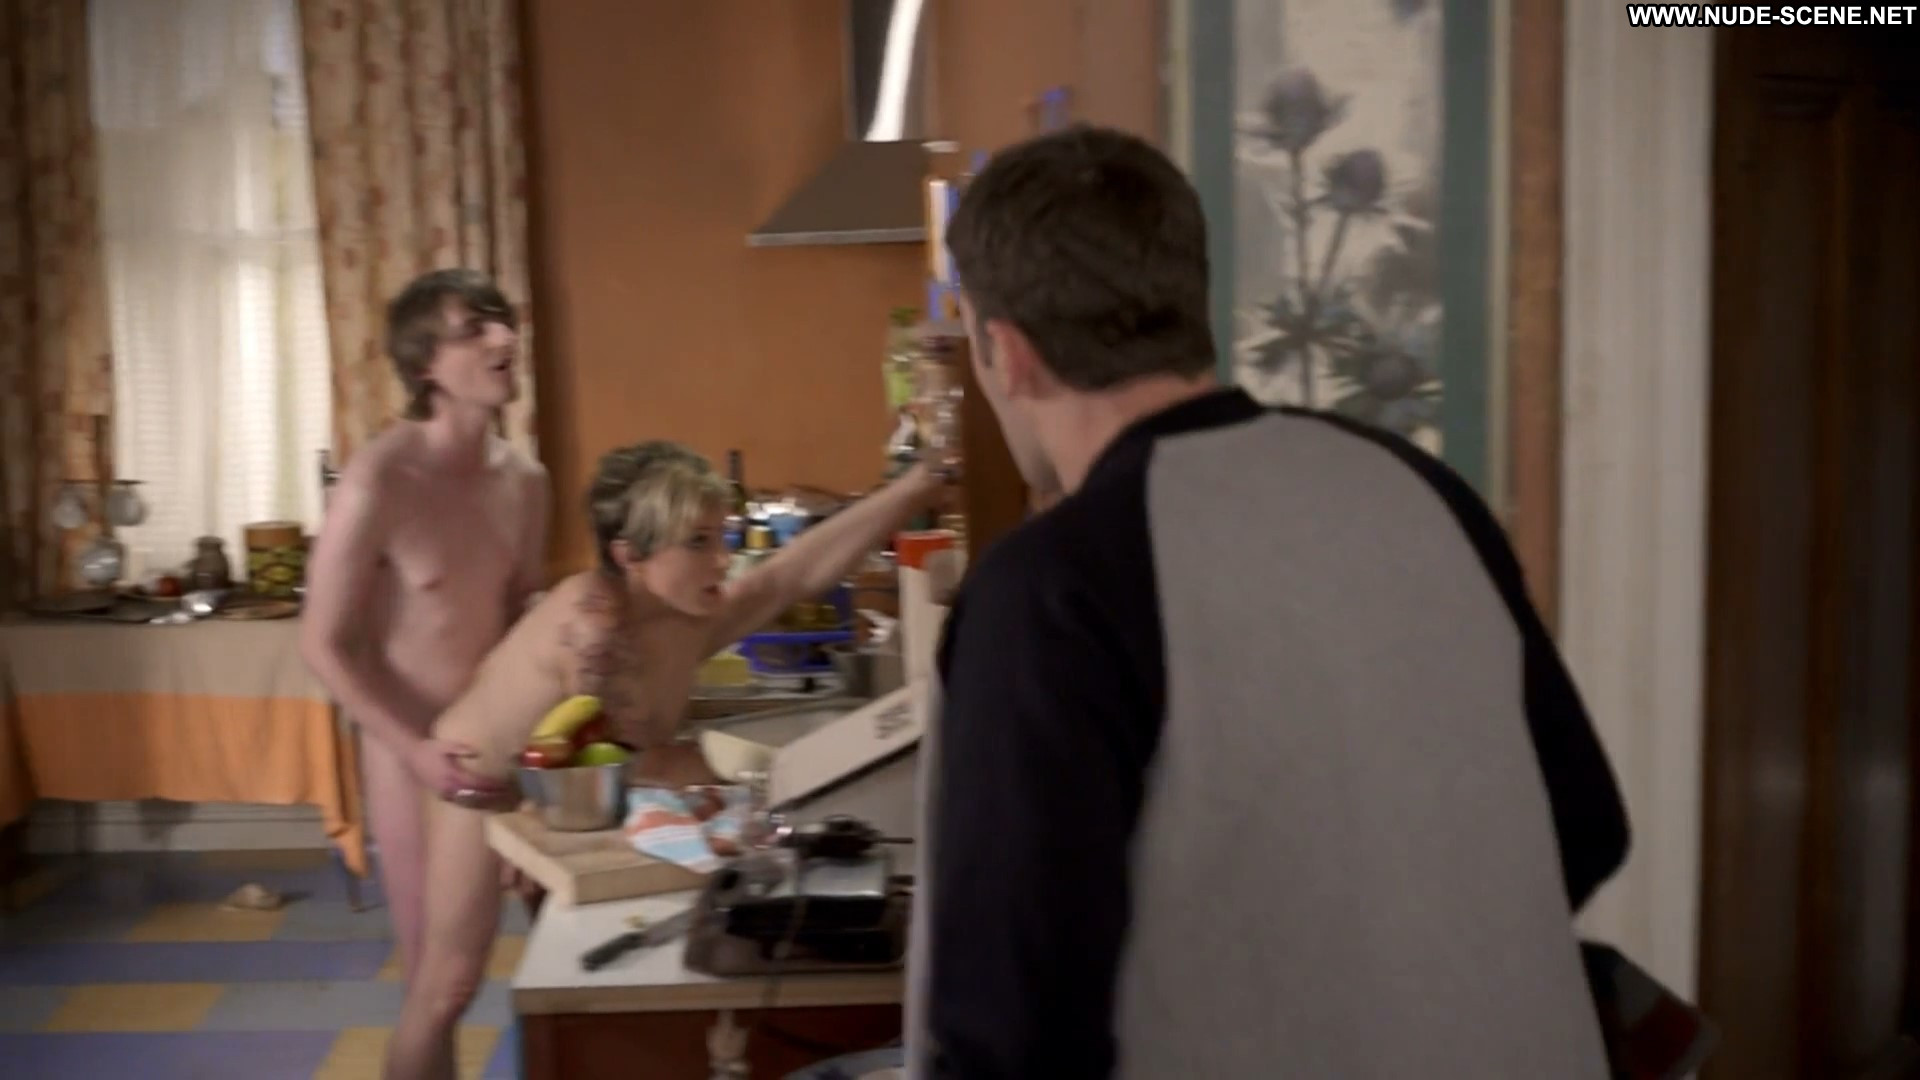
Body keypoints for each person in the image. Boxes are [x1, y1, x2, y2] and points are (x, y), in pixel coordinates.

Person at [906, 126, 1631, 1078]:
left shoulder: (1051, 588)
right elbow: (1586, 826)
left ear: (1005, 352)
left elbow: (1008, 1027)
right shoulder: (1415, 487)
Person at [384, 441, 949, 1080]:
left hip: (558, 795)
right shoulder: (594, 623)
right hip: (476, 780)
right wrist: (759, 782)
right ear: (631, 555)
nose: (723, 558)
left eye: (721, 537)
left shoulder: (685, 614)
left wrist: (915, 487)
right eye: (699, 542)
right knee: (446, 989)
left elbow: (789, 577)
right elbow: (637, 762)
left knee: (572, 984)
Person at [301, 270, 549, 989]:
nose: (504, 339)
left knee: (560, 945)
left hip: (501, 739)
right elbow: (322, 642)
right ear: (425, 366)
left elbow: (519, 618)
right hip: (411, 750)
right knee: (435, 979)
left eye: (502, 322)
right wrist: (413, 750)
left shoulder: (526, 482)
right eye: (474, 330)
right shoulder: (378, 480)